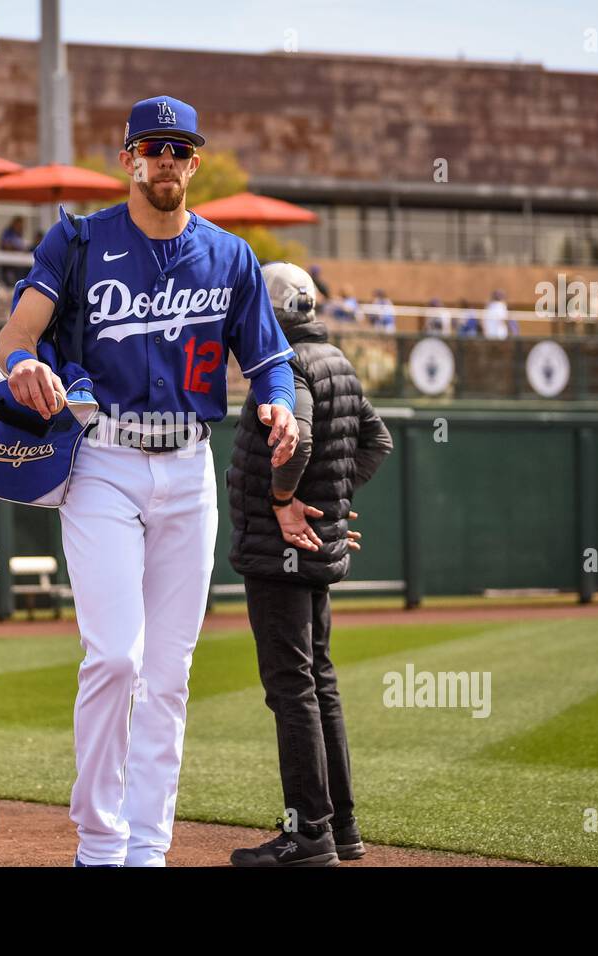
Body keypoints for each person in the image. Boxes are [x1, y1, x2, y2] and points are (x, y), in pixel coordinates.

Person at [0, 94, 299, 867]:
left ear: (195, 163)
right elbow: (18, 333)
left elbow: (269, 362)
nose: (165, 160)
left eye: (179, 149)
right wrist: (25, 362)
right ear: (127, 157)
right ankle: (99, 845)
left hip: (189, 468)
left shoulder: (231, 257)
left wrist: (281, 407)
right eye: (151, 147)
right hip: (103, 461)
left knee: (168, 673)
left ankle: (147, 849)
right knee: (116, 658)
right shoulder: (78, 239)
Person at [227, 262, 392, 867]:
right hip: (314, 548)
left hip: (282, 554)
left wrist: (284, 502)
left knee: (292, 691)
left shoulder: (287, 363)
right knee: (318, 684)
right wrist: (334, 502)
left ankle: (310, 834)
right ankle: (341, 828)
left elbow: (291, 435)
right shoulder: (338, 361)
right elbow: (378, 441)